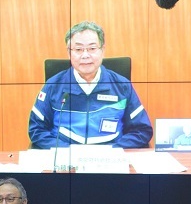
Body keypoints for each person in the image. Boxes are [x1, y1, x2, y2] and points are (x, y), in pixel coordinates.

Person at [28, 21, 153, 149]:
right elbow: (37, 130)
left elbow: (142, 130)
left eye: (92, 48)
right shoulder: (53, 86)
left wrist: (113, 151)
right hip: (66, 159)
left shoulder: (121, 85)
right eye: (78, 49)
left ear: (102, 50)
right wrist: (67, 152)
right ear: (69, 52)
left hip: (110, 160)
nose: (85, 55)